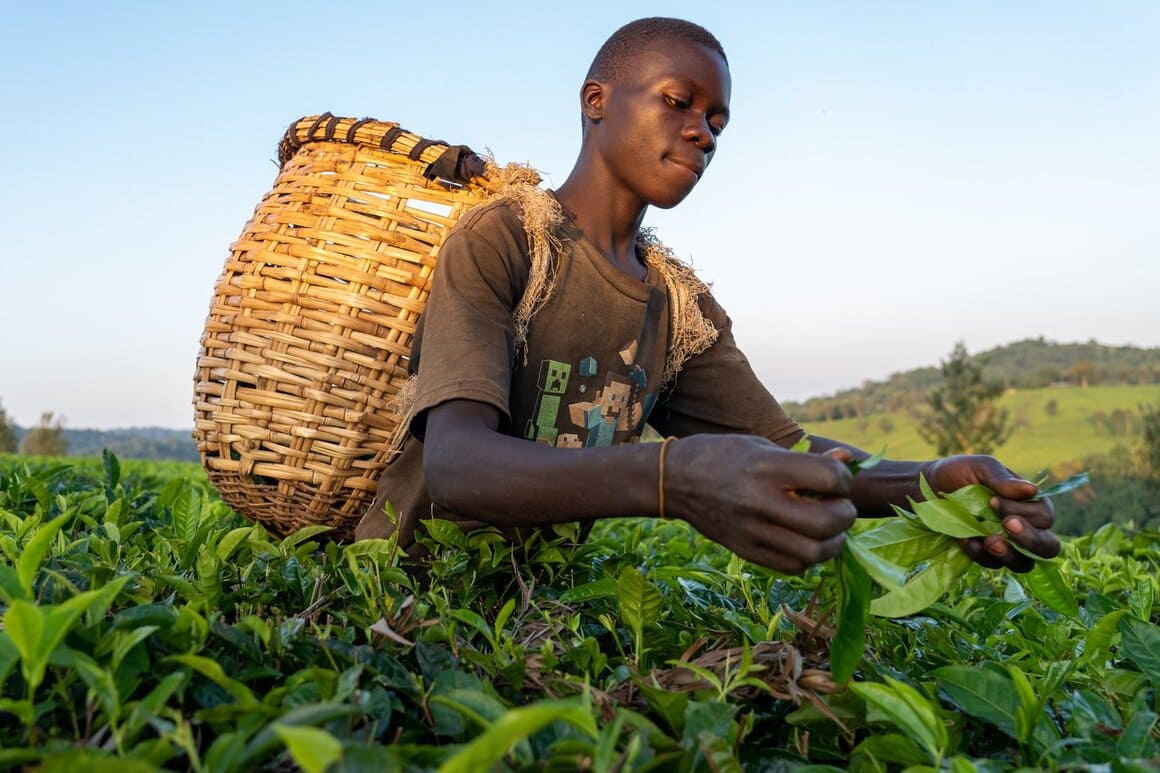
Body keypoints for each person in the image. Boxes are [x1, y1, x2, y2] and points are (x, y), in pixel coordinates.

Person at [354, 17, 1059, 576]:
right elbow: (457, 465)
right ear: (596, 101)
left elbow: (791, 450)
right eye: (677, 102)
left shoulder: (678, 309)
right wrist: (673, 477)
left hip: (534, 608)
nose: (702, 131)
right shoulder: (506, 238)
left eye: (717, 122)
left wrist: (935, 483)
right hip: (407, 594)